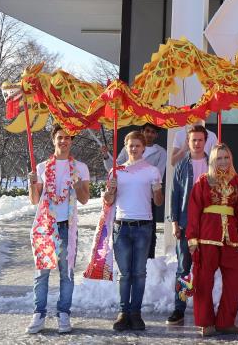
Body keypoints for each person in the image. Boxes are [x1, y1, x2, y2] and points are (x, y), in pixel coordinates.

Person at [26, 125, 91, 335]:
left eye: (67, 138)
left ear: (72, 141)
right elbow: (35, 200)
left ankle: (63, 313)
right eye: (60, 137)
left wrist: (78, 184)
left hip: (67, 227)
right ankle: (39, 313)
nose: (63, 141)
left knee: (67, 273)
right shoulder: (42, 167)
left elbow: (84, 199)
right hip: (45, 226)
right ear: (54, 139)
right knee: (42, 273)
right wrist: (32, 184)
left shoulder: (80, 167)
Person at [104, 130, 164, 332]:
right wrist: (110, 190)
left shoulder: (152, 171)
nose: (134, 149)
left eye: (138, 145)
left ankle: (136, 313)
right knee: (124, 274)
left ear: (143, 148)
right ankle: (123, 312)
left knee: (139, 273)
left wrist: (158, 190)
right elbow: (109, 201)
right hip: (121, 226)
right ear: (126, 147)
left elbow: (158, 202)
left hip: (143, 226)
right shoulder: (116, 171)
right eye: (131, 145)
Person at [185, 143, 238, 336]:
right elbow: (194, 210)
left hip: (231, 238)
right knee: (203, 280)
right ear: (212, 160)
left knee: (236, 279)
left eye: (226, 157)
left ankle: (225, 322)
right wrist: (192, 237)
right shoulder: (203, 181)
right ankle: (206, 323)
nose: (223, 161)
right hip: (207, 236)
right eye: (219, 158)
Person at [166, 125, 211, 326]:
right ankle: (179, 308)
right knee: (183, 268)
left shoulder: (213, 164)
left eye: (200, 140)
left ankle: (205, 309)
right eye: (194, 140)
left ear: (205, 141)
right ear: (188, 142)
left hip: (209, 224)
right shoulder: (181, 166)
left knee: (206, 268)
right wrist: (174, 223)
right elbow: (174, 195)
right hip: (185, 223)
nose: (197, 143)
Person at [106, 123, 168, 259]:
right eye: (147, 131)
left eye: (153, 132)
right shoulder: (128, 148)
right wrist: (106, 157)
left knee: (149, 234)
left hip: (146, 199)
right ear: (142, 131)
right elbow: (115, 168)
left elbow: (158, 175)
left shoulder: (161, 152)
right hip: (126, 201)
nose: (150, 134)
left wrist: (143, 177)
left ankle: (149, 261)